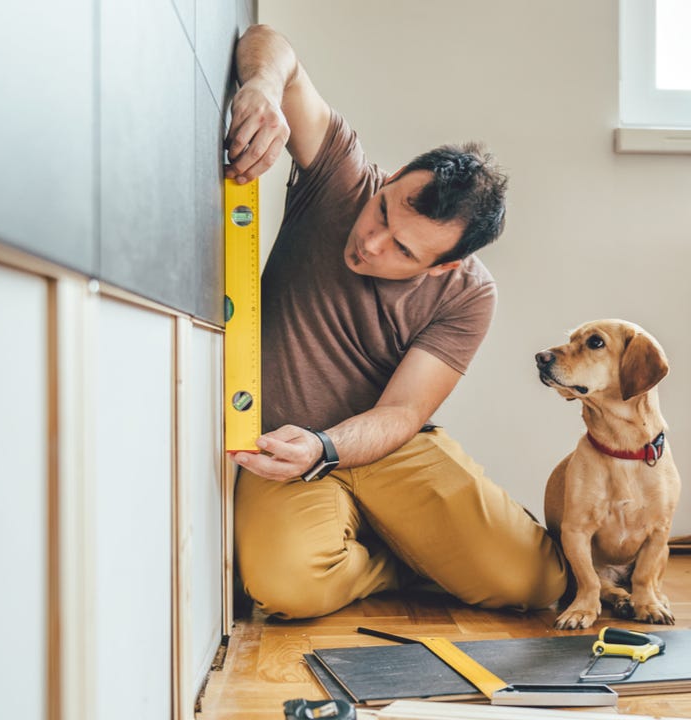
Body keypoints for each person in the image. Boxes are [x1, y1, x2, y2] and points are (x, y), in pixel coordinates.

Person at [224, 24, 567, 620]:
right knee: (287, 589)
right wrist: (262, 83)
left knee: (535, 582)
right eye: (384, 210)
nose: (371, 243)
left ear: (443, 267)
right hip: (279, 445)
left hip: (380, 444)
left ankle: (415, 545)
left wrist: (328, 446)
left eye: (404, 251)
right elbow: (270, 43)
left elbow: (403, 412)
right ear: (390, 180)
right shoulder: (342, 178)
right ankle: (401, 559)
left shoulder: (469, 295)